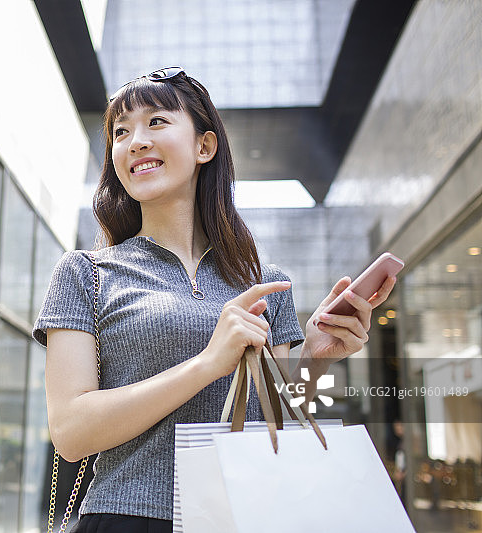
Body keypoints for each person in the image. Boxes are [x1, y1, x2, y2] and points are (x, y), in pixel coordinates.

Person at [32, 67, 396, 532]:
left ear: (205, 146)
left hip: (243, 515)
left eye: (156, 122)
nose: (135, 141)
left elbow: (275, 419)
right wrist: (207, 363)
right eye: (120, 132)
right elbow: (71, 433)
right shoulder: (86, 274)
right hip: (128, 518)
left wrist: (316, 358)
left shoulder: (265, 283)